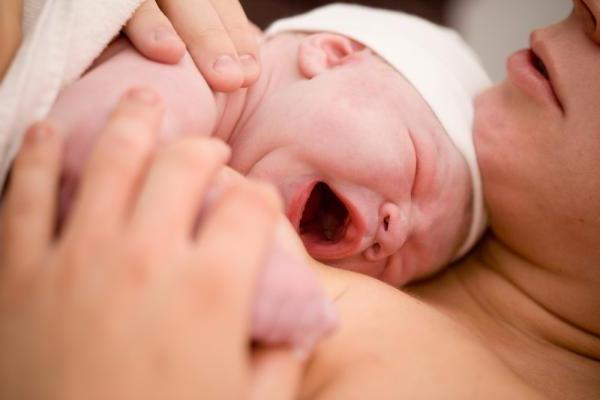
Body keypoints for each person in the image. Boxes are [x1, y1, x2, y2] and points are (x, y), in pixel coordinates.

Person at [51, 4, 490, 290]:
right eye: (416, 169)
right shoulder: (198, 73)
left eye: (404, 264)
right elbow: (89, 155)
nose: (393, 235)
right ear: (333, 55)